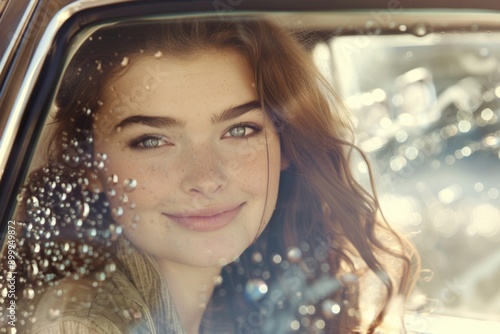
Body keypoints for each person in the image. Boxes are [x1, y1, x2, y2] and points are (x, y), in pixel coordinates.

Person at [6, 17, 417, 333]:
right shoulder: (79, 322)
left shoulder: (259, 294)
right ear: (89, 165)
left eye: (240, 130)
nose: (206, 178)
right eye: (151, 140)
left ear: (287, 144)